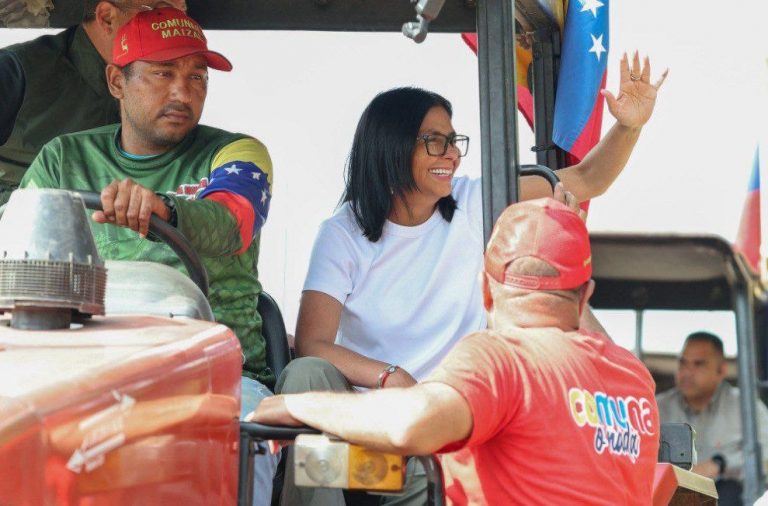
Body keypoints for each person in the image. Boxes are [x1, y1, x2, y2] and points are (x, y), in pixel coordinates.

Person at [278, 55, 666, 505]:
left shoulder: (475, 201)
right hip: (364, 422)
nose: (453, 154)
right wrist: (389, 377)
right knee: (305, 376)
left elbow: (588, 178)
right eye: (435, 142)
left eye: (453, 140)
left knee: (430, 469)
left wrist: (629, 126)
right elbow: (313, 343)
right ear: (391, 146)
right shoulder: (342, 233)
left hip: (443, 429)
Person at [19, 7, 277, 505]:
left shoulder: (237, 153)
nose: (183, 92)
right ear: (117, 81)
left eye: (197, 77)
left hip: (220, 376)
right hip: (84, 372)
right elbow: (19, 241)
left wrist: (167, 210)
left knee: (244, 446)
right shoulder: (62, 159)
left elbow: (232, 220)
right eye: (163, 73)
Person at [252, 197, 661, 505]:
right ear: (585, 295)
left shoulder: (502, 360)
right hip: (412, 474)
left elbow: (410, 425)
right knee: (330, 467)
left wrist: (299, 406)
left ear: (486, 290)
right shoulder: (634, 379)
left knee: (314, 464)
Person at [0, 0, 187, 206]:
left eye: (183, 14)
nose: (176, 26)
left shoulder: (179, 88)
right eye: (161, 12)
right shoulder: (15, 71)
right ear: (107, 18)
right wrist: (31, 207)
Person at [656, 332, 768, 505]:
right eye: (683, 363)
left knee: (730, 489)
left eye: (698, 364)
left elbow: (765, 459)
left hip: (727, 499)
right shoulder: (657, 407)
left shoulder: (746, 407)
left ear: (721, 370)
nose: (687, 372)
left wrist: (720, 465)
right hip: (671, 498)